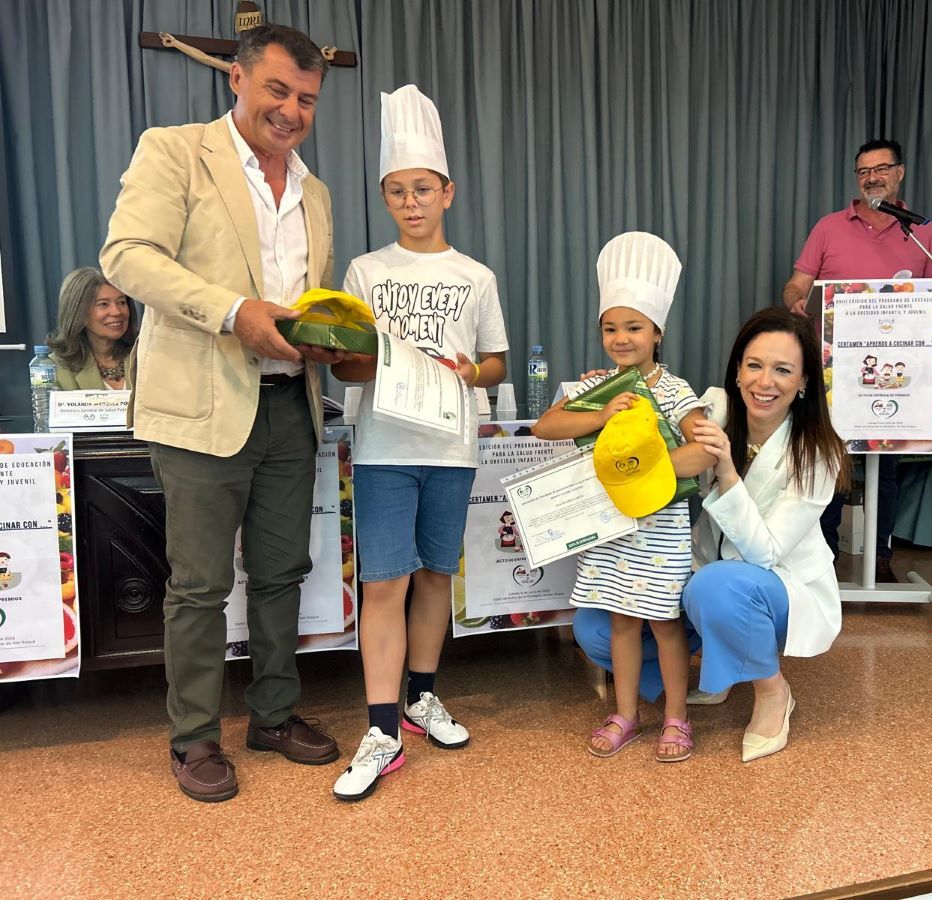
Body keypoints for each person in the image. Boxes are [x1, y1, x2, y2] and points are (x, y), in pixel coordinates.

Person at [99, 24, 343, 803]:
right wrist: (235, 310)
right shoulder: (174, 150)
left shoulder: (316, 190)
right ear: (236, 79)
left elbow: (302, 304)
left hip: (290, 406)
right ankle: (194, 739)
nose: (291, 110)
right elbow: (128, 255)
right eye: (277, 89)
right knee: (200, 585)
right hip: (200, 408)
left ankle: (272, 714)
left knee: (281, 575)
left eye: (306, 98)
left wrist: (323, 335)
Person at [330, 85, 509, 802]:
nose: (411, 202)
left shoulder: (476, 277)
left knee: (436, 575)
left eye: (423, 189)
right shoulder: (365, 273)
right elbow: (343, 362)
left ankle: (421, 700)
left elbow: (494, 359)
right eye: (397, 191)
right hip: (382, 445)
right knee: (384, 583)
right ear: (385, 196)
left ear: (448, 192)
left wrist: (470, 372)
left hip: (451, 448)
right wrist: (386, 363)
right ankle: (380, 729)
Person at [575, 307, 849, 763]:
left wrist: (726, 470)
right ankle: (712, 678)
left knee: (717, 585)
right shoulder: (713, 411)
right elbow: (648, 443)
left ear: (803, 382)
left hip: (775, 587)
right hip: (698, 581)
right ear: (737, 370)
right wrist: (610, 388)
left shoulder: (816, 451)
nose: (765, 382)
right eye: (754, 365)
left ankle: (772, 691)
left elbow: (764, 553)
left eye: (783, 370)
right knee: (595, 626)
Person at [535, 231, 711, 763]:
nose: (620, 337)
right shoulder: (601, 386)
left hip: (659, 527)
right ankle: (627, 714)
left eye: (633, 327)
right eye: (610, 328)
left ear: (657, 332)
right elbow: (546, 426)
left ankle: (677, 717)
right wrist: (600, 412)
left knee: (665, 621)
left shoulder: (676, 389)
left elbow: (703, 448)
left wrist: (644, 475)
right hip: (612, 528)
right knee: (619, 620)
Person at [781, 139, 932, 582]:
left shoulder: (921, 231)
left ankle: (881, 555)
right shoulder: (830, 227)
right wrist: (796, 301)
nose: (872, 177)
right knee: (831, 463)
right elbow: (797, 284)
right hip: (835, 370)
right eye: (863, 171)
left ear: (900, 173)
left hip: (898, 375)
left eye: (881, 168)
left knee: (885, 465)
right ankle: (825, 557)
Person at [46, 267, 139, 390]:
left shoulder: (145, 356)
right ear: (77, 311)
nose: (116, 312)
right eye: (103, 304)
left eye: (121, 302)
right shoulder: (53, 369)